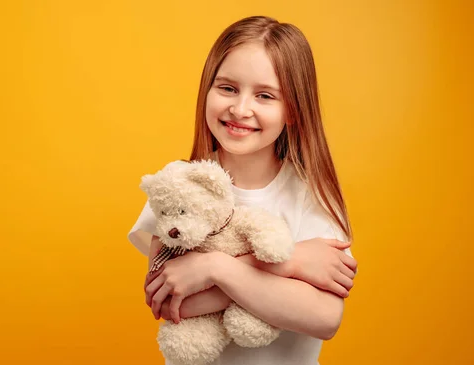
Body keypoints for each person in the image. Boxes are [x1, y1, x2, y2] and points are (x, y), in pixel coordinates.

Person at [128, 15, 358, 365]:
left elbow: (324, 317)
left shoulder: (311, 196)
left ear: (293, 110)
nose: (240, 108)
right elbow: (174, 301)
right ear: (208, 89)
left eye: (265, 95)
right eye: (228, 88)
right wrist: (292, 262)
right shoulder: (178, 185)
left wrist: (215, 268)